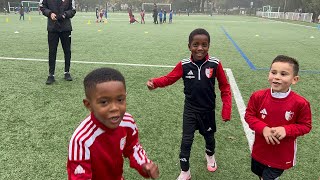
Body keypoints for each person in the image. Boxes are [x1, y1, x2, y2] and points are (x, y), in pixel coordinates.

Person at [146, 28, 232, 180]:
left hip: (207, 111)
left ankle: (210, 155)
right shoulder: (184, 65)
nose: (200, 48)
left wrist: (226, 109)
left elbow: (224, 87)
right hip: (190, 110)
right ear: (189, 46)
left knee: (209, 138)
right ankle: (185, 171)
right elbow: (169, 78)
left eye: (204, 45)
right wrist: (155, 83)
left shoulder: (215, 64)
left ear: (209, 46)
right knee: (186, 141)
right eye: (196, 44)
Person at [67, 67, 160, 180]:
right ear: (88, 105)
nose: (115, 108)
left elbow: (133, 148)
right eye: (104, 102)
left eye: (120, 100)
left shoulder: (127, 121)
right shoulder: (81, 140)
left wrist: (144, 164)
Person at [245, 55, 312, 180]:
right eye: (273, 72)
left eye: (283, 74)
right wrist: (263, 128)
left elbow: (305, 126)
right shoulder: (258, 96)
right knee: (258, 173)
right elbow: (249, 115)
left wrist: (286, 130)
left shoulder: (300, 103)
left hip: (281, 155)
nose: (276, 77)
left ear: (295, 79)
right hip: (260, 151)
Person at [40, 0, 76, 84]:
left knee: (67, 51)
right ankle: (51, 75)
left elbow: (73, 10)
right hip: (52, 28)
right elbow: (42, 7)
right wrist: (50, 13)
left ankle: (67, 72)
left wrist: (65, 14)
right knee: (52, 51)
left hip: (66, 28)